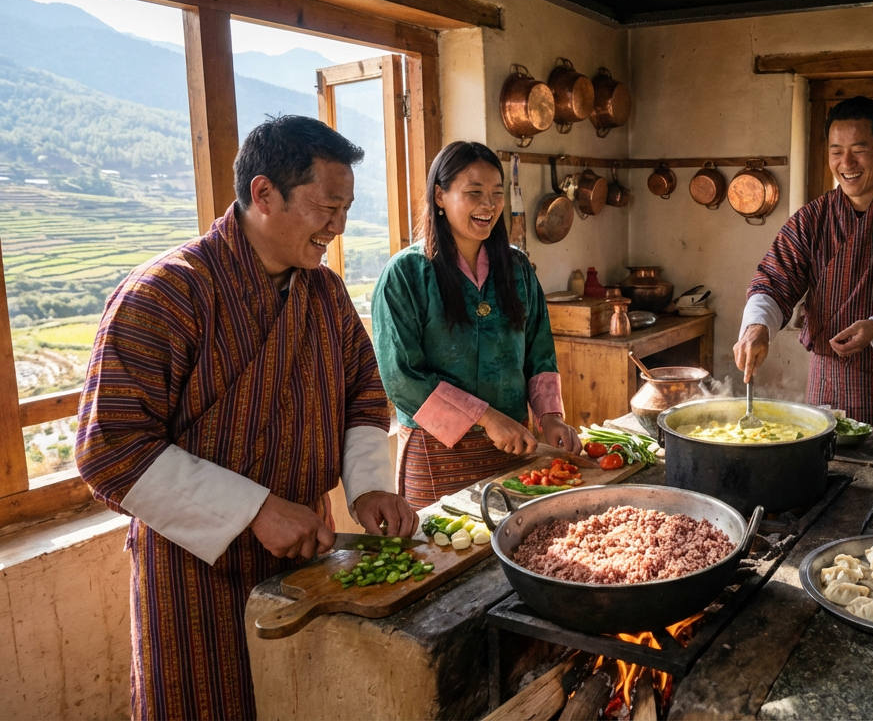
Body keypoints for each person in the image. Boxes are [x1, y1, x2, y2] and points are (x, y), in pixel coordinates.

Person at [76, 115, 418, 720]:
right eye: (325, 208)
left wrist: (367, 490)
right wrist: (254, 510)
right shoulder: (164, 295)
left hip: (309, 556)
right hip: (194, 575)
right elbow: (111, 449)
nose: (337, 229)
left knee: (304, 700)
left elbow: (364, 393)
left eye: (346, 210)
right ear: (264, 195)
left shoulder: (324, 294)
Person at [371, 141, 579, 510]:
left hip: (514, 446)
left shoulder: (517, 269)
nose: (489, 205)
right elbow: (402, 378)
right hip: (438, 452)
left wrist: (550, 417)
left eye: (497, 194)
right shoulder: (405, 275)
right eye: (474, 193)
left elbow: (539, 351)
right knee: (444, 557)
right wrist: (487, 418)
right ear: (440, 195)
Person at [733, 96, 873, 424]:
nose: (846, 163)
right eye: (836, 151)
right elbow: (773, 280)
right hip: (828, 383)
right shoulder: (812, 219)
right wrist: (756, 327)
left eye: (859, 149)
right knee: (826, 468)